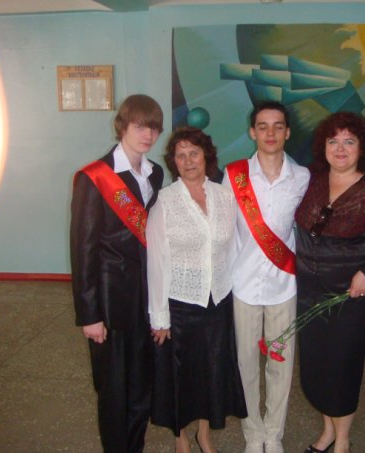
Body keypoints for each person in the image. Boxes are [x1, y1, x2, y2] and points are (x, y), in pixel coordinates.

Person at [70, 94, 164, 452]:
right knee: (112, 389)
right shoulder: (94, 177)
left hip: (145, 299)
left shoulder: (155, 172)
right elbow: (83, 250)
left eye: (154, 128)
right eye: (140, 126)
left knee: (141, 385)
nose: (148, 135)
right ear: (122, 126)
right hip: (110, 302)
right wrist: (89, 314)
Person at [146, 127, 247, 452]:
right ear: (173, 161)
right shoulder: (165, 201)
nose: (188, 161)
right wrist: (159, 317)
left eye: (194, 153)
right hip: (180, 303)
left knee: (212, 371)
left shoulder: (224, 196)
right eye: (181, 155)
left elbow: (232, 249)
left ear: (206, 157)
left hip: (217, 301)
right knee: (180, 376)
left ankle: (205, 433)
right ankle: (181, 438)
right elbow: (156, 260)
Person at [222, 101, 310, 453]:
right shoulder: (234, 175)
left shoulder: (303, 178)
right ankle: (253, 434)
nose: (270, 133)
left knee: (280, 364)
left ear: (287, 132)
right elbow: (224, 231)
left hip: (283, 286)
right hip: (242, 285)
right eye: (263, 126)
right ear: (252, 132)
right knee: (245, 364)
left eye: (278, 126)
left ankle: (274, 435)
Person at [294, 112, 365, 453]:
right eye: (333, 141)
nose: (340, 149)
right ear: (323, 146)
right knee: (315, 364)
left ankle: (342, 441)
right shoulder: (310, 179)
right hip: (308, 292)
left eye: (349, 141)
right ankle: (328, 431)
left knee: (342, 365)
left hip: (351, 295)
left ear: (362, 147)